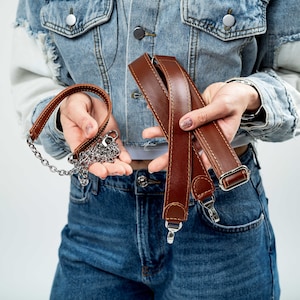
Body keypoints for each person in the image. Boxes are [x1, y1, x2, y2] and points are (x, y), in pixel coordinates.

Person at [11, 1, 300, 299]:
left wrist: (250, 96)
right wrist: (64, 111)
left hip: (218, 206)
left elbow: (293, 74)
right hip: (96, 214)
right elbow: (33, 78)